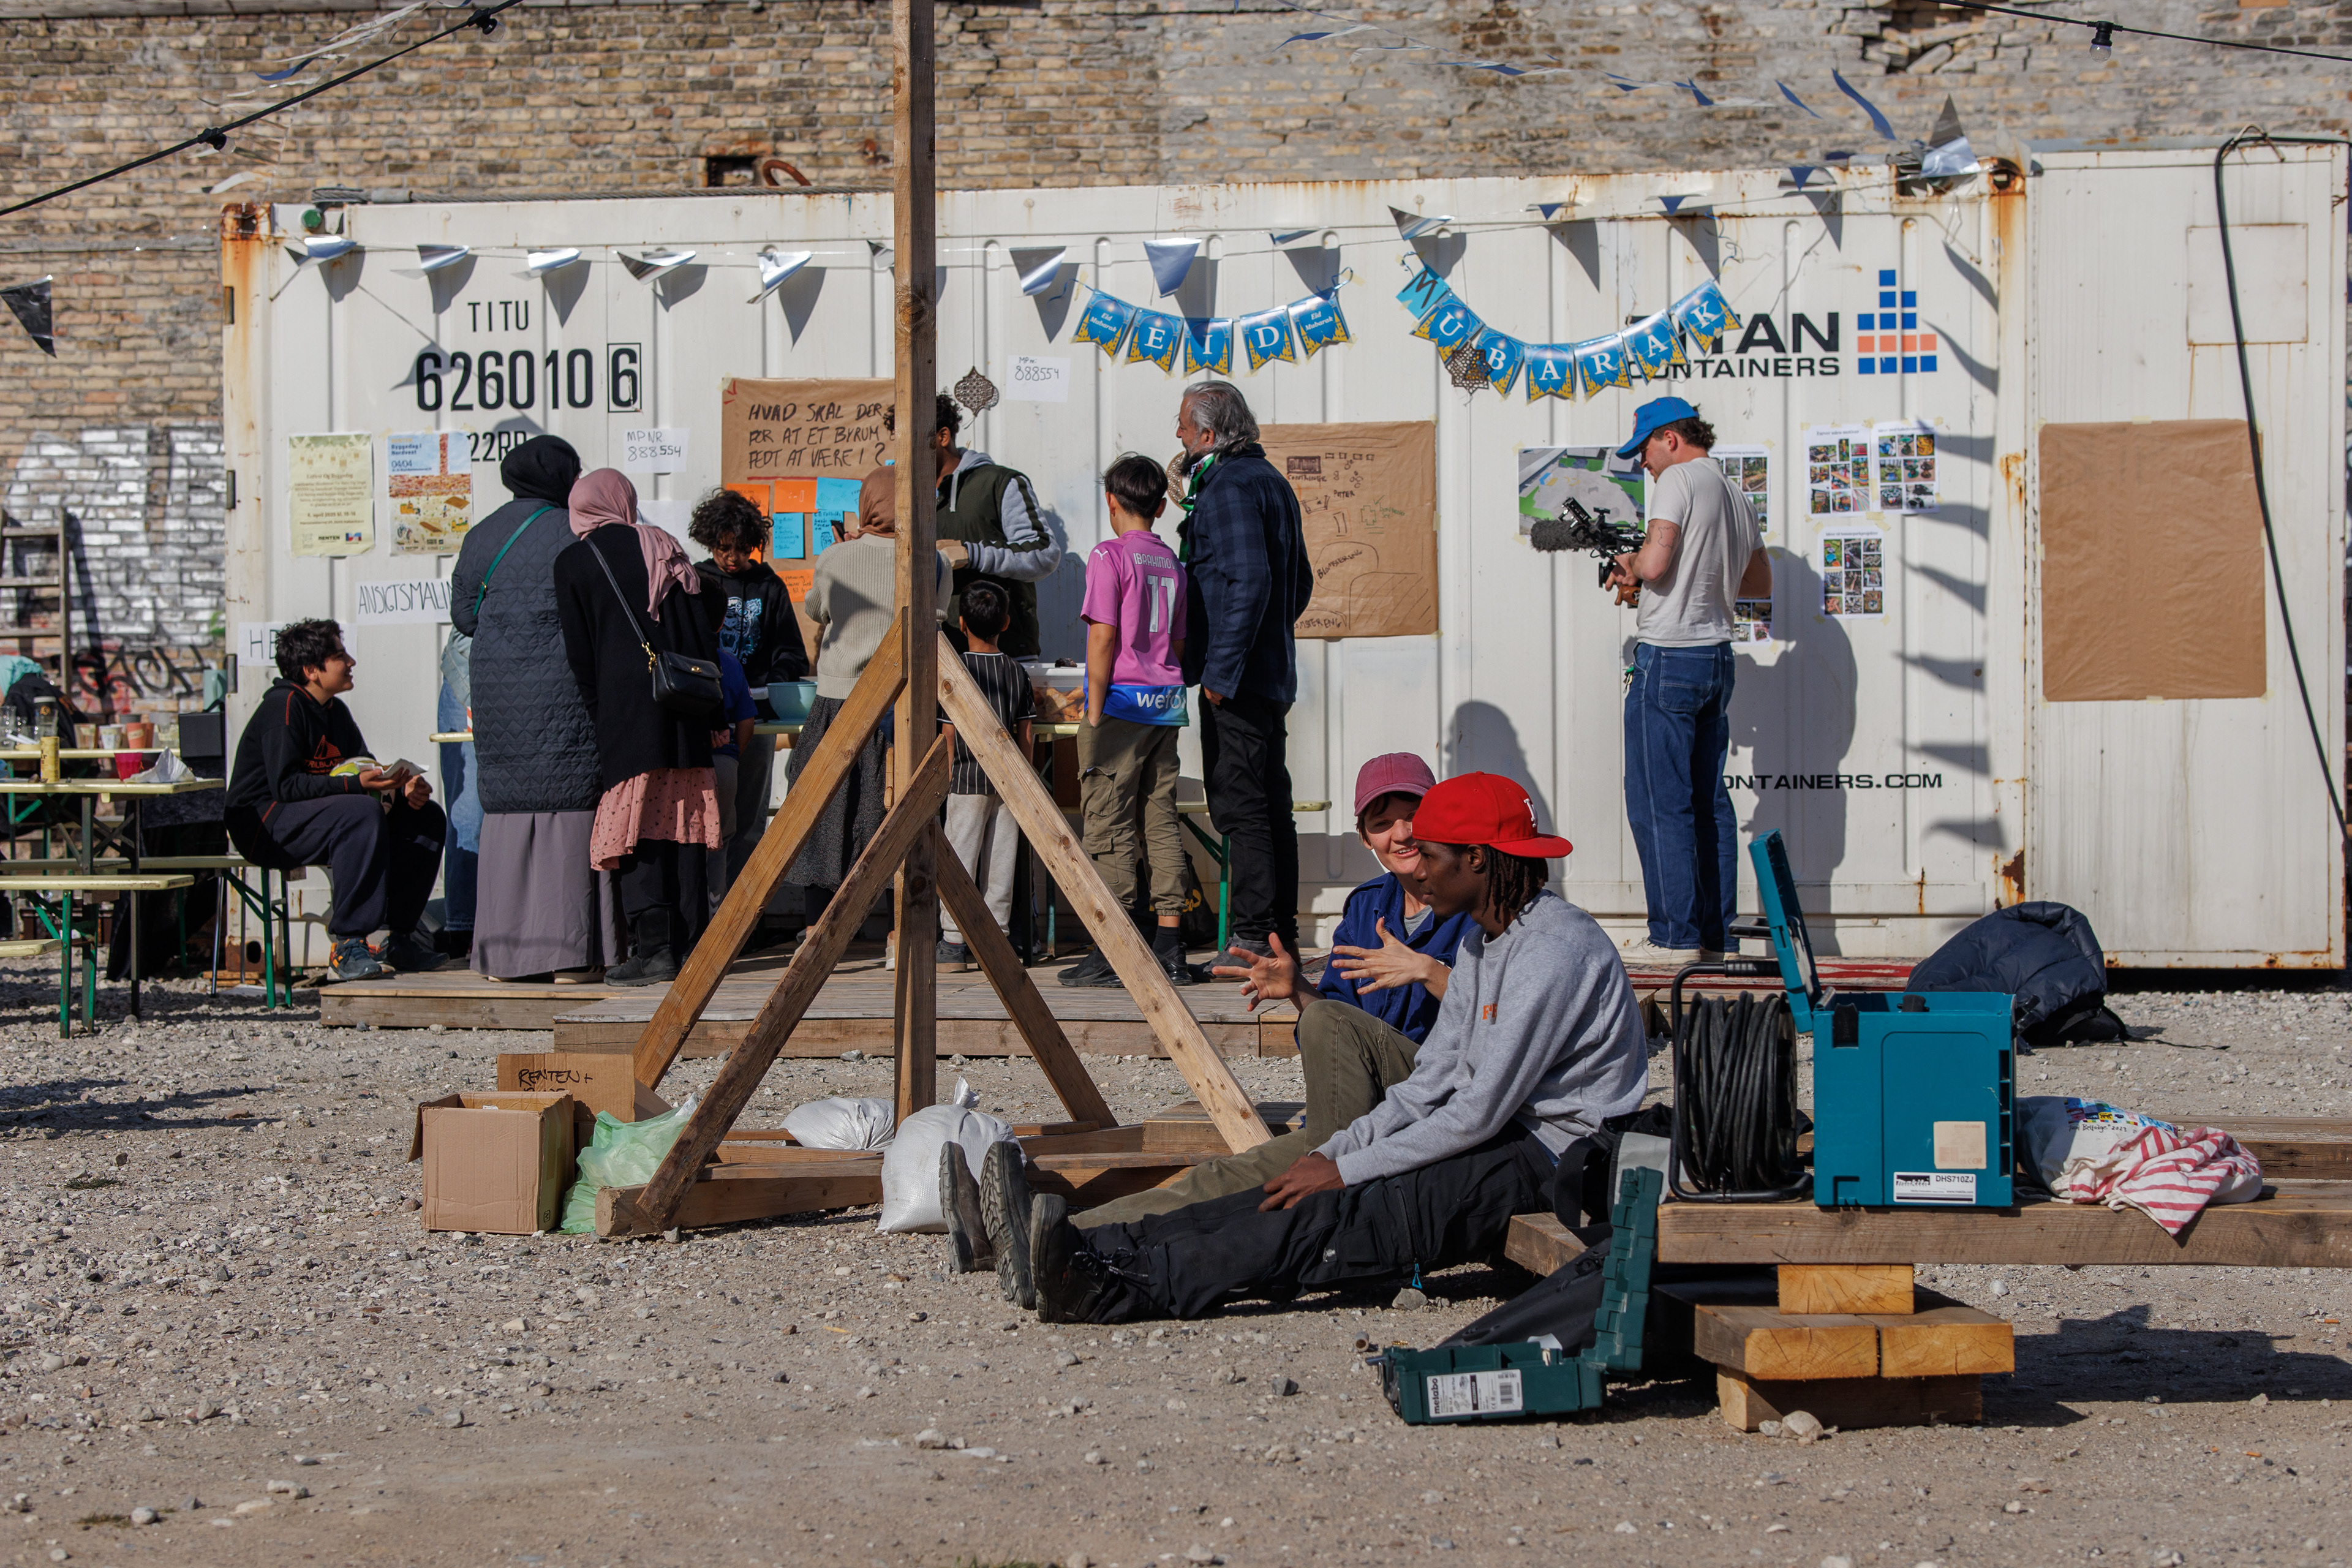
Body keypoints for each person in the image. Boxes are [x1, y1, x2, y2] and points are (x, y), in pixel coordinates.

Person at [1005, 771, 1648, 1325]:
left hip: (1556, 1159)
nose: (1417, 865)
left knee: (1350, 1213)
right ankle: (1101, 1249)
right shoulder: (1484, 941)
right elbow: (1432, 1081)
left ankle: (1110, 1287)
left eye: (1430, 852)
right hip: (1505, 1135)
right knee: (1298, 1182)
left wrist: (1347, 1170)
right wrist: (1334, 1150)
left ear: (1477, 858)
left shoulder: (1554, 951)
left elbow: (1477, 1110)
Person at [1063, 754, 1473, 1231]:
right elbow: (1342, 1035)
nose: (1401, 834)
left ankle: (1326, 1196)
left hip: (1439, 1104)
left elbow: (1508, 1021)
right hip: (1366, 1115)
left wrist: (1430, 972)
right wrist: (1298, 989)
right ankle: (1065, 1233)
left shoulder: (1473, 900)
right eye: (1382, 823)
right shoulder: (1367, 907)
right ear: (1366, 839)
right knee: (1230, 1173)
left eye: (1414, 817)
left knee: (1295, 1159)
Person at [448, 435, 622, 982]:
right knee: (571, 801)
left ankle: (505, 956)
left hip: (499, 687)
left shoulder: (482, 535)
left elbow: (463, 615)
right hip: (565, 682)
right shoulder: (575, 529)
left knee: (507, 804)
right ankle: (572, 955)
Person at [1605, 396, 1770, 965]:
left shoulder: (1677, 480)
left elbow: (1653, 567)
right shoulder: (1734, 492)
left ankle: (1673, 938)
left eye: (1645, 450)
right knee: (1709, 805)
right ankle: (1713, 937)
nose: (1643, 464)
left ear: (1671, 438)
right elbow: (1759, 578)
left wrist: (1632, 565)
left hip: (1670, 656)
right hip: (1717, 657)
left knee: (1658, 801)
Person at [551, 469, 723, 987]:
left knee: (640, 830)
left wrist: (601, 710)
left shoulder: (575, 562)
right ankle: (691, 945)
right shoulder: (664, 546)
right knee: (683, 825)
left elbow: (581, 657)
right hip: (686, 703)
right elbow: (705, 620)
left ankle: (653, 951)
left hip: (628, 710)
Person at [223, 619, 447, 984]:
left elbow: (363, 766)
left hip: (312, 814)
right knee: (360, 811)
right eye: (340, 655)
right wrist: (357, 786)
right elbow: (286, 787)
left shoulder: (334, 712)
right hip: (262, 825)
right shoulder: (284, 707)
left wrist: (399, 787)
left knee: (426, 816)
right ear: (312, 670)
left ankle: (398, 939)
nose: (351, 662)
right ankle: (347, 946)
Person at [1174, 381, 1312, 959]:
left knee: (1242, 805)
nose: (1177, 434)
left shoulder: (1228, 488)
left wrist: (1223, 672)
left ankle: (1254, 936)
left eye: (1183, 425)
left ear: (1208, 436)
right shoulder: (1270, 482)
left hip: (1238, 681)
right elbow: (1298, 584)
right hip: (1268, 675)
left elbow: (1250, 582)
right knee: (1269, 802)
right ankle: (1278, 930)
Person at [785, 466, 951, 919]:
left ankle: (819, 922)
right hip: (903, 706)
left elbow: (817, 609)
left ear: (867, 504)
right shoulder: (933, 560)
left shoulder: (836, 558)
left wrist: (845, 552)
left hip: (839, 702)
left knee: (823, 812)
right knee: (893, 814)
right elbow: (937, 616)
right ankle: (897, 923)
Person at [1055, 453, 1193, 990]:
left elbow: (1103, 637)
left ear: (1111, 501)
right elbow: (1178, 642)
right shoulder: (1173, 563)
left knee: (1107, 821)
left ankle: (1114, 947)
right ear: (1160, 506)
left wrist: (1092, 706)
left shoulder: (1108, 555)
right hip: (1166, 700)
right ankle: (1171, 943)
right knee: (1160, 817)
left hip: (1121, 705)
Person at [689, 487, 812, 882]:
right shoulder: (695, 580)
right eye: (724, 548)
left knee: (749, 819)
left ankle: (745, 915)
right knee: (703, 818)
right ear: (711, 543)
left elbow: (791, 650)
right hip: (704, 716)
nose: (732, 558)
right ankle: (706, 911)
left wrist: (773, 684)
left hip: (755, 719)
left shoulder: (768, 584)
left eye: (742, 549)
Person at [936, 579, 1033, 968]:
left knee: (961, 858)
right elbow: (1026, 733)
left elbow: (948, 734)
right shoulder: (1017, 673)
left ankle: (954, 942)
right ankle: (998, 940)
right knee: (1001, 862)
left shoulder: (956, 671)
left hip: (965, 779)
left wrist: (945, 781)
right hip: (1009, 782)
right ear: (1006, 623)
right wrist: (1023, 781)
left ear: (961, 623)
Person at [932, 391, 1061, 657]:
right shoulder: (906, 498)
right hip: (939, 656)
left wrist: (972, 554)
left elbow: (1045, 553)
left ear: (943, 437)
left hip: (1006, 654)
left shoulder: (1000, 483)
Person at [708, 647, 758, 905]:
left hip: (679, 766)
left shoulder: (667, 655)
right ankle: (714, 921)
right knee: (719, 844)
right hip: (723, 763)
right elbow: (746, 723)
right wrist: (732, 757)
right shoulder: (728, 662)